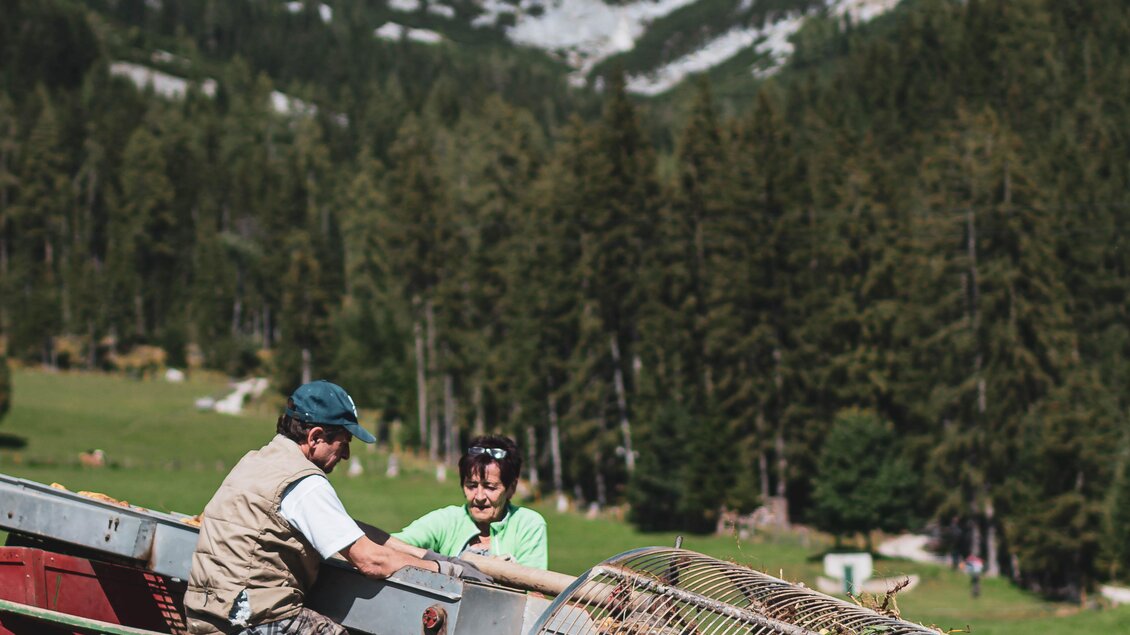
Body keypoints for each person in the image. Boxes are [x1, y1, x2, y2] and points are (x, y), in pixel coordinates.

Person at [184, 380, 487, 635]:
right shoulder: (304, 483)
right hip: (256, 620)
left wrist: (421, 554)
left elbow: (345, 529)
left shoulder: (257, 461)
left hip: (207, 613)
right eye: (343, 444)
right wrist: (443, 571)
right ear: (316, 437)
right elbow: (371, 562)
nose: (345, 456)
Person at [393, 434, 548, 570]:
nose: (479, 496)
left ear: (511, 488)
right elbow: (393, 544)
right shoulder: (447, 520)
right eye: (472, 486)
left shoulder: (528, 524)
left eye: (490, 487)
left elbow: (534, 592)